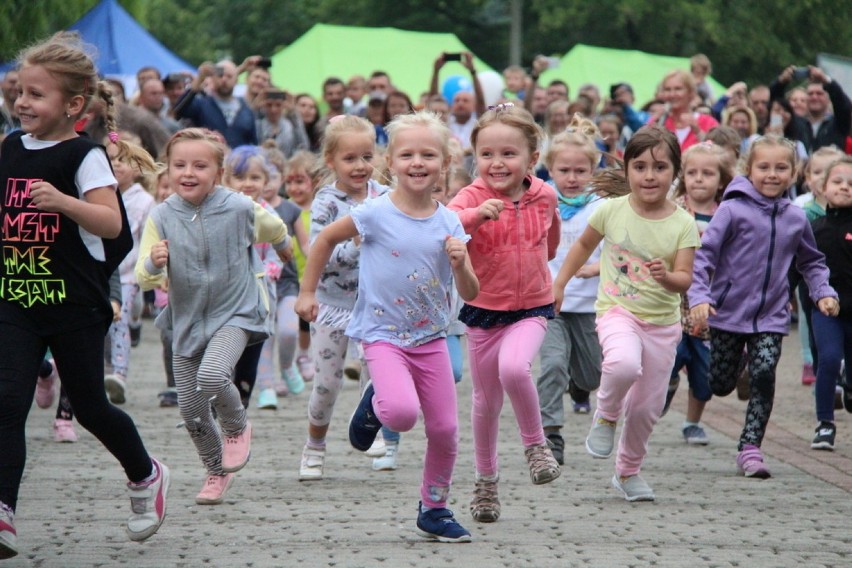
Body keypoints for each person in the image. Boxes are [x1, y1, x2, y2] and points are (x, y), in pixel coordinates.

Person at [0, 33, 170, 558]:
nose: (22, 103)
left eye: (36, 95)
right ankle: (3, 512)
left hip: (74, 305)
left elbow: (111, 221)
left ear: (73, 105)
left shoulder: (84, 155)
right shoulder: (9, 147)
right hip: (15, 299)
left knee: (93, 407)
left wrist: (63, 203)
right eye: (19, 93)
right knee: (6, 402)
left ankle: (145, 475)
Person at [297, 111, 479, 542]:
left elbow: (469, 291)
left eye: (428, 155)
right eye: (408, 154)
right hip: (381, 334)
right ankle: (376, 403)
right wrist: (307, 294)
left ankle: (434, 508)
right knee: (401, 412)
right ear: (391, 162)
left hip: (431, 335)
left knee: (446, 430)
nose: (418, 163)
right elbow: (323, 239)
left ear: (444, 162)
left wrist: (459, 263)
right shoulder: (374, 212)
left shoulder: (449, 221)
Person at [135, 128, 292, 505]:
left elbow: (276, 227)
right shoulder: (162, 216)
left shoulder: (239, 207)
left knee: (212, 374)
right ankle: (215, 472)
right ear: (167, 171)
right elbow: (143, 275)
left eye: (200, 165)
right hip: (185, 320)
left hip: (235, 312)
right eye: (180, 165)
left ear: (218, 173)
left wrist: (285, 251)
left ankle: (237, 426)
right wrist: (155, 264)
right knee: (190, 408)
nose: (188, 173)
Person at [552, 125, 700, 502]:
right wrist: (559, 284)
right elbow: (582, 247)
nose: (649, 176)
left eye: (660, 167)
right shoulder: (611, 211)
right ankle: (605, 414)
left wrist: (667, 276)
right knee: (620, 365)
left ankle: (628, 471)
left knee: (647, 409)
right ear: (627, 171)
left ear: (674, 173)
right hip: (618, 311)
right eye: (640, 167)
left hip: (663, 325)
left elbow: (685, 279)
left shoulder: (683, 223)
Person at [689, 135, 838, 478]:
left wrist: (823, 292)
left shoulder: (795, 218)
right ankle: (738, 364)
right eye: (764, 167)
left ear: (794, 171)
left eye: (781, 167)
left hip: (771, 315)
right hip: (727, 313)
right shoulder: (731, 209)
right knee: (720, 385)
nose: (772, 174)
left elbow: (812, 262)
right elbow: (704, 259)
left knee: (764, 374)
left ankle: (750, 448)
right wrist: (700, 297)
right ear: (748, 169)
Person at [447, 103, 561, 524]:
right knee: (485, 401)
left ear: (532, 158)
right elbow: (448, 224)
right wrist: (476, 216)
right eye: (487, 154)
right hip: (483, 311)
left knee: (516, 369)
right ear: (475, 157)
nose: (497, 163)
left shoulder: (544, 195)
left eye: (508, 154)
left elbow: (550, 241)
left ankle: (535, 446)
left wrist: (542, 272)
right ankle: (486, 482)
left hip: (532, 305)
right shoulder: (471, 196)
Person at [296, 115, 390, 481]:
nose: (360, 166)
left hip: (377, 303)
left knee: (378, 373)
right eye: (350, 158)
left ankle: (372, 425)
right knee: (327, 384)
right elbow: (322, 250)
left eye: (367, 156)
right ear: (331, 160)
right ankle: (314, 445)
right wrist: (354, 247)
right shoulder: (325, 202)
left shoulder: (384, 195)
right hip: (331, 303)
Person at [536, 115, 604, 465]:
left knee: (591, 376)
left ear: (593, 170)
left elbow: (619, 253)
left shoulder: (602, 207)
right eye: (564, 170)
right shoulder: (540, 202)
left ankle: (579, 387)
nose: (572, 178)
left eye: (580, 171)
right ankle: (550, 433)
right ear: (550, 168)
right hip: (548, 304)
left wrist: (597, 268)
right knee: (551, 366)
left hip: (590, 304)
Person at [661, 142, 733, 445]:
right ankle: (666, 384)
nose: (699, 179)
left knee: (705, 376)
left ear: (721, 179)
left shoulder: (728, 212)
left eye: (707, 173)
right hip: (673, 300)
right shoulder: (672, 209)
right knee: (669, 355)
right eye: (692, 173)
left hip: (709, 305)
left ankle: (693, 421)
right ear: (682, 176)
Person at [102, 135, 157, 405]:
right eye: (111, 159)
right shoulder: (97, 193)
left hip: (128, 273)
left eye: (122, 160)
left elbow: (150, 236)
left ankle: (119, 374)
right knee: (108, 323)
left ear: (136, 166)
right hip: (102, 272)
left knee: (120, 318)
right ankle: (108, 370)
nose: (116, 165)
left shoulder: (144, 201)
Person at [810, 157, 852, 449]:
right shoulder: (814, 228)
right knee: (828, 359)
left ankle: (849, 388)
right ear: (822, 188)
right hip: (826, 310)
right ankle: (825, 424)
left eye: (851, 183)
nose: (845, 187)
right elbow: (798, 268)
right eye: (837, 182)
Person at [283, 151, 318, 381]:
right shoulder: (283, 208)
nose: (294, 188)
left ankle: (305, 354)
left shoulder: (318, 209)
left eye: (300, 181)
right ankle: (299, 355)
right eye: (289, 182)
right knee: (295, 320)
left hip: (312, 274)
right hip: (288, 275)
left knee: (309, 320)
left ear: (313, 182)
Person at [172, 59, 258, 148]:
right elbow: (179, 110)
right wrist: (199, 80)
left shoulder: (246, 108)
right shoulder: (202, 104)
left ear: (236, 80)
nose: (224, 79)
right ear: (213, 78)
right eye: (220, 75)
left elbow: (253, 142)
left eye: (229, 76)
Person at [769, 65, 851, 153]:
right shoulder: (795, 123)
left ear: (828, 99)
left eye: (819, 94)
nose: (814, 97)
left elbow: (844, 106)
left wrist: (826, 80)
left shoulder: (838, 123)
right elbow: (776, 105)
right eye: (810, 94)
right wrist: (781, 82)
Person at [655, 69, 719, 151]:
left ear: (691, 92)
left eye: (678, 89)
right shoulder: (659, 121)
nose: (672, 94)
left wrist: (698, 132)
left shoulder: (708, 122)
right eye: (667, 89)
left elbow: (719, 153)